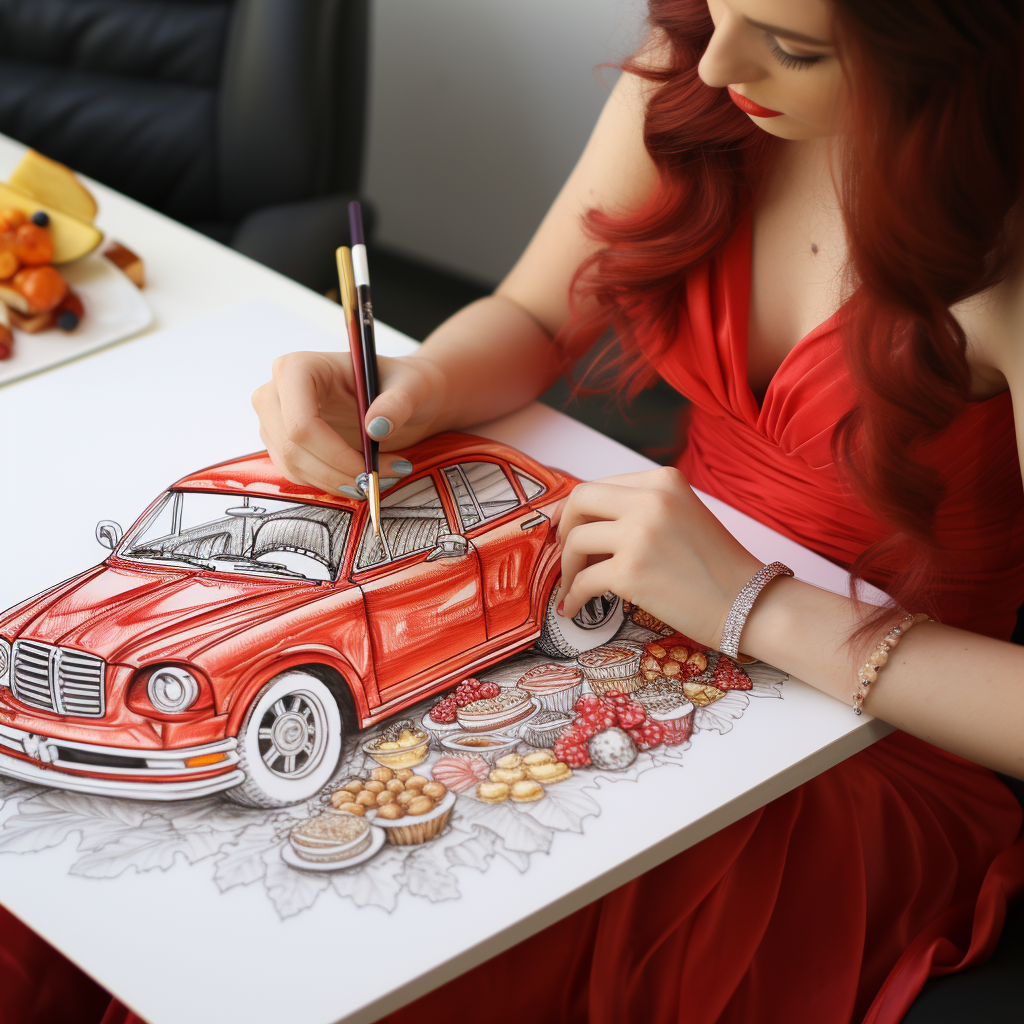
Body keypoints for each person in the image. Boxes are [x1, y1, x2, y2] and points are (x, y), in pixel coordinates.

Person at [2, 1, 1020, 1022]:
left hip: (870, 730)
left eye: (792, 45)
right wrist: (411, 387)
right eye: (714, 4)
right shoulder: (692, 80)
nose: (714, 61)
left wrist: (759, 608)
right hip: (652, 598)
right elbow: (535, 316)